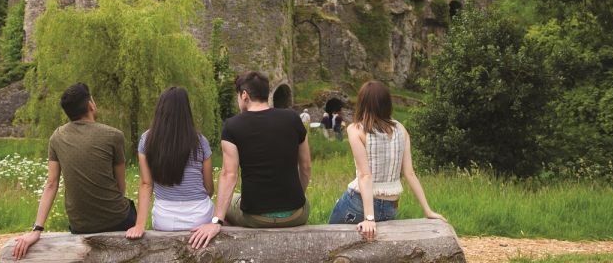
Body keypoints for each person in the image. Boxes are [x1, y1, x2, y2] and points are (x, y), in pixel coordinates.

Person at [12, 82, 136, 260]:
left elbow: (51, 184)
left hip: (80, 225)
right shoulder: (113, 135)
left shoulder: (57, 137)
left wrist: (37, 229)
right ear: (91, 105)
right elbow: (120, 186)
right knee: (129, 207)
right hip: (117, 219)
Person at [189, 71, 311, 249]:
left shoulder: (232, 126)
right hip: (296, 215)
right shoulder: (293, 118)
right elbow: (306, 167)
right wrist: (295, 197)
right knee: (305, 202)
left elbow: (229, 174)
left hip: (255, 217)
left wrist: (216, 221)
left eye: (238, 96)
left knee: (230, 202)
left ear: (244, 95)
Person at [328, 80, 444, 239]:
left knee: (330, 236)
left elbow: (365, 175)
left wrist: (369, 218)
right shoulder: (400, 129)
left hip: (358, 204)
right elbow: (410, 173)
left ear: (362, 103)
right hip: (390, 206)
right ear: (387, 103)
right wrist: (428, 211)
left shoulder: (355, 129)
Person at [126, 86, 214, 238]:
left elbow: (146, 184)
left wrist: (139, 225)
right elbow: (209, 189)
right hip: (200, 218)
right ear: (186, 111)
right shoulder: (200, 141)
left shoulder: (146, 140)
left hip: (164, 220)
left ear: (160, 109)